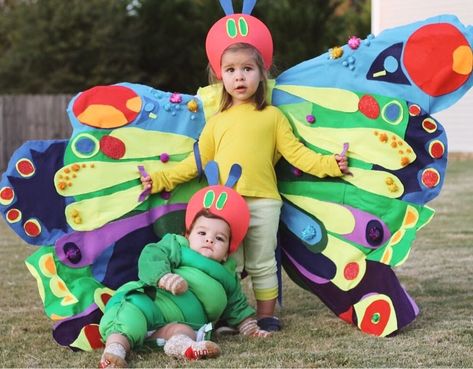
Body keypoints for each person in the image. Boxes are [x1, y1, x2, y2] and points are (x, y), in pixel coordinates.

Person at [141, 12, 349, 332]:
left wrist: (331, 164)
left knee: (262, 262)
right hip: (224, 207)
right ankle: (229, 315)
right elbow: (195, 164)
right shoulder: (216, 123)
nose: (239, 77)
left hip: (265, 202)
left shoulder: (273, 117)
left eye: (247, 69)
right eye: (231, 70)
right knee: (227, 264)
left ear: (262, 73)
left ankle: (266, 316)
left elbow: (298, 156)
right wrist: (157, 179)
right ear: (219, 76)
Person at [99, 182, 270, 368]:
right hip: (151, 302)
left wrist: (249, 328)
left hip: (180, 323)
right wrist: (163, 277)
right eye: (202, 232)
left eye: (219, 238)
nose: (209, 239)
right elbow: (152, 255)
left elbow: (238, 307)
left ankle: (182, 347)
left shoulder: (228, 276)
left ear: (227, 252)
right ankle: (115, 351)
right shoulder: (178, 247)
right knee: (128, 317)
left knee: (182, 330)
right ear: (187, 235)